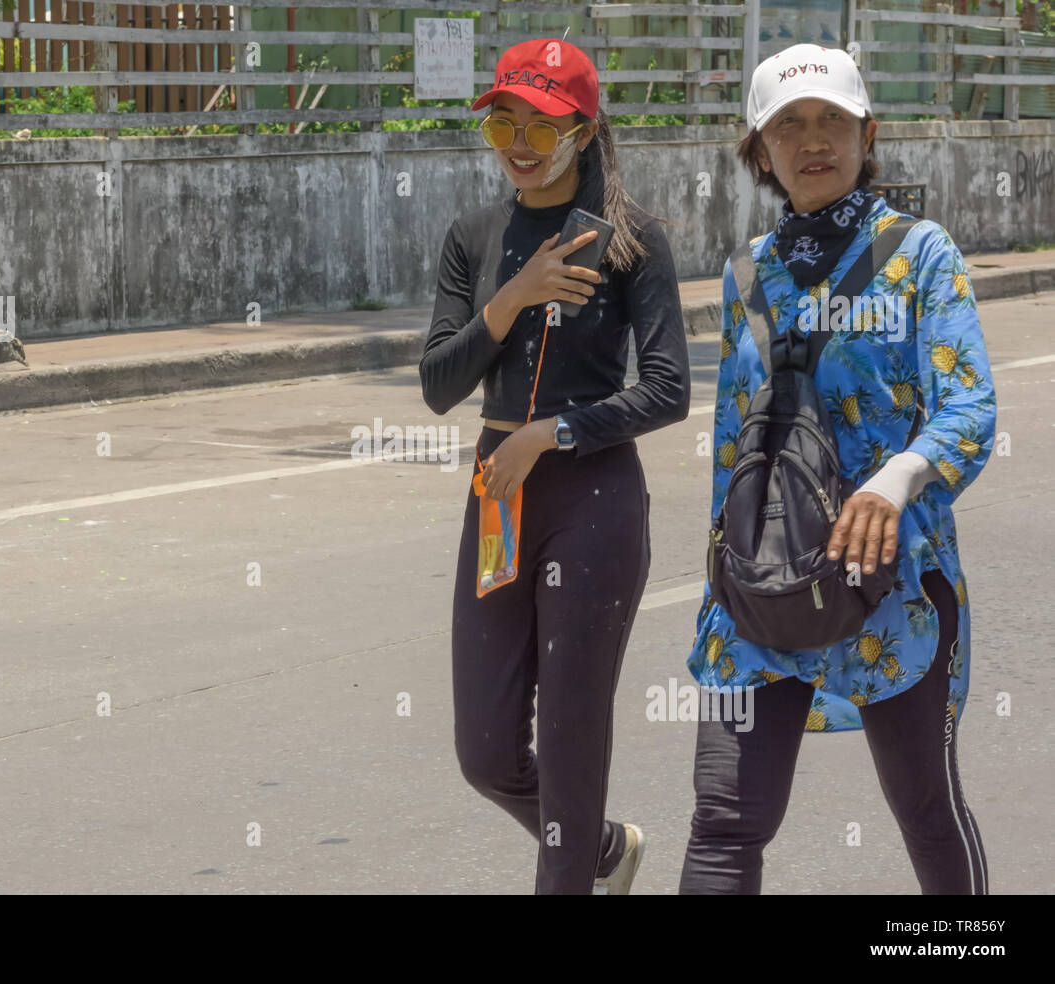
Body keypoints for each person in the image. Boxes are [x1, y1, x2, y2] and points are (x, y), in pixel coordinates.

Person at [681, 43, 996, 894]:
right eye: (789, 125)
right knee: (723, 819)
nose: (812, 141)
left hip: (892, 583)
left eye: (832, 121)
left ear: (868, 134)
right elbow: (734, 447)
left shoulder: (921, 253)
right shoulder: (746, 274)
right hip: (764, 583)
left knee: (924, 806)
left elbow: (971, 410)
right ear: (761, 147)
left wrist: (896, 481)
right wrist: (724, 581)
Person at [419, 38, 691, 894]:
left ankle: (574, 868)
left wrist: (552, 434)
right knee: (486, 751)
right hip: (498, 500)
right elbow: (436, 384)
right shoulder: (475, 236)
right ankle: (604, 851)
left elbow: (670, 388)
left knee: (573, 746)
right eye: (504, 120)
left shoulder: (631, 240)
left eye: (544, 121)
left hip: (593, 496)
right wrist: (512, 298)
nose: (521, 142)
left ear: (585, 126)